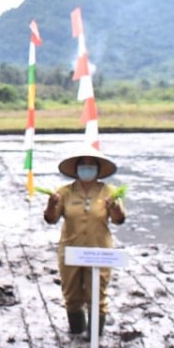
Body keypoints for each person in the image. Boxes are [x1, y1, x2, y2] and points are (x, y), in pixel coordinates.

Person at [42, 143, 126, 336]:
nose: (86, 169)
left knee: (97, 295)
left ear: (98, 170)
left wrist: (115, 208)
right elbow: (50, 219)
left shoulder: (110, 192)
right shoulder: (64, 192)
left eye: (91, 165)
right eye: (83, 165)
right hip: (70, 251)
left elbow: (119, 220)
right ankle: (77, 331)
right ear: (76, 169)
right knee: (72, 295)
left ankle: (95, 336)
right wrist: (50, 205)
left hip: (99, 250)